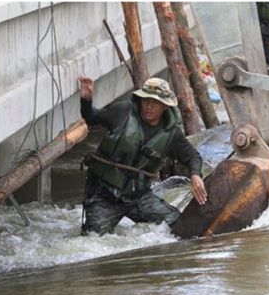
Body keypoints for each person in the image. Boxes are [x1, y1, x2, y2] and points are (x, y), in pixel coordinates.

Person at [78, 76, 208, 236]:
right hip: (104, 195)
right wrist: (86, 99)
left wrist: (196, 175)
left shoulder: (172, 134)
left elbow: (193, 157)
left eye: (156, 102)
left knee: (178, 227)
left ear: (165, 106)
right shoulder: (123, 112)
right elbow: (91, 117)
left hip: (139, 197)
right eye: (146, 100)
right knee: (92, 239)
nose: (149, 106)